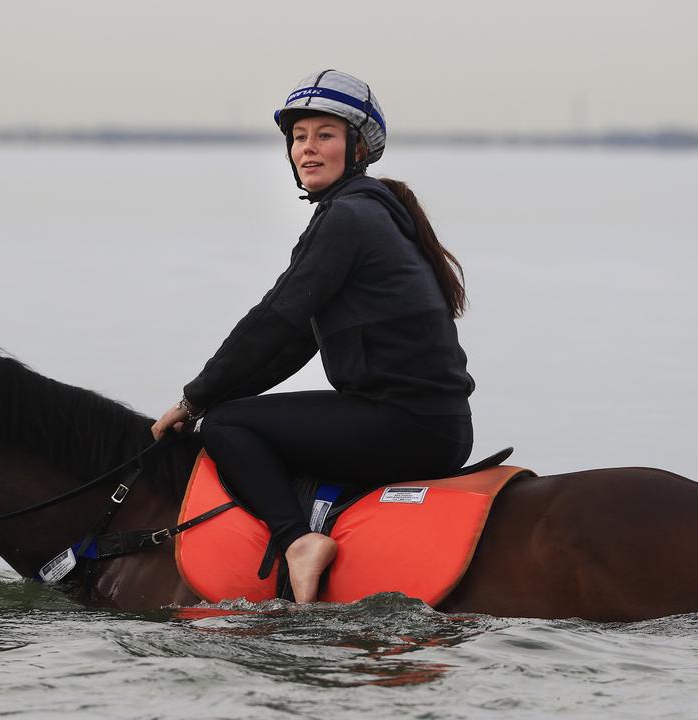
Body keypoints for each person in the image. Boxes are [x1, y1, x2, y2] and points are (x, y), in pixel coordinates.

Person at [152, 69, 474, 603]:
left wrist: (197, 401)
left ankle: (297, 542)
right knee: (238, 411)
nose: (307, 148)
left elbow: (274, 319)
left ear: (358, 147)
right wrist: (213, 392)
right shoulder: (370, 213)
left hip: (406, 424)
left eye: (325, 135)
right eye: (299, 137)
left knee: (230, 425)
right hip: (431, 424)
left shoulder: (350, 217)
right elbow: (295, 338)